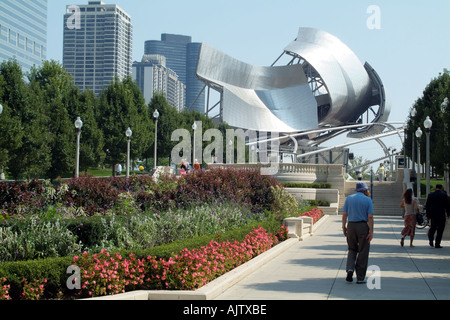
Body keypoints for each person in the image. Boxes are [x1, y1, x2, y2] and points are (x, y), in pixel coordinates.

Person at [342, 182, 374, 284]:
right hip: (362, 226)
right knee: (363, 251)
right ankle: (360, 277)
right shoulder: (368, 200)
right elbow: (370, 217)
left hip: (351, 225)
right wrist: (371, 231)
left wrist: (344, 226)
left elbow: (344, 214)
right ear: (364, 190)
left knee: (352, 248)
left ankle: (350, 269)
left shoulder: (349, 198)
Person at [425, 184, 450, 248]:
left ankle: (431, 239)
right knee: (440, 229)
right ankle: (437, 243)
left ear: (435, 188)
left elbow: (427, 206)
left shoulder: (430, 195)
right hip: (441, 213)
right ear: (441, 188)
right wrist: (448, 213)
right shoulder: (444, 195)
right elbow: (447, 205)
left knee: (433, 227)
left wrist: (428, 215)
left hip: (433, 214)